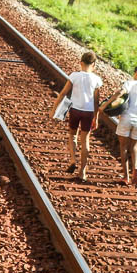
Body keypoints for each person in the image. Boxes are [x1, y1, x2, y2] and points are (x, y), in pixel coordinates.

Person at [100, 64, 137, 186]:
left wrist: (105, 105)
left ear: (136, 73)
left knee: (124, 148)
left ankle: (126, 176)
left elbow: (119, 93)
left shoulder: (130, 83)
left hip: (126, 119)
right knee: (134, 148)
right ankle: (135, 168)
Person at [50, 51, 102, 182]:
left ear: (81, 63)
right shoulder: (96, 79)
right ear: (94, 64)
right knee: (85, 141)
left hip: (75, 110)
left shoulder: (74, 76)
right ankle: (82, 172)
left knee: (72, 135)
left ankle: (73, 160)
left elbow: (63, 94)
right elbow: (96, 101)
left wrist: (54, 109)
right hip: (88, 112)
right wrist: (96, 117)